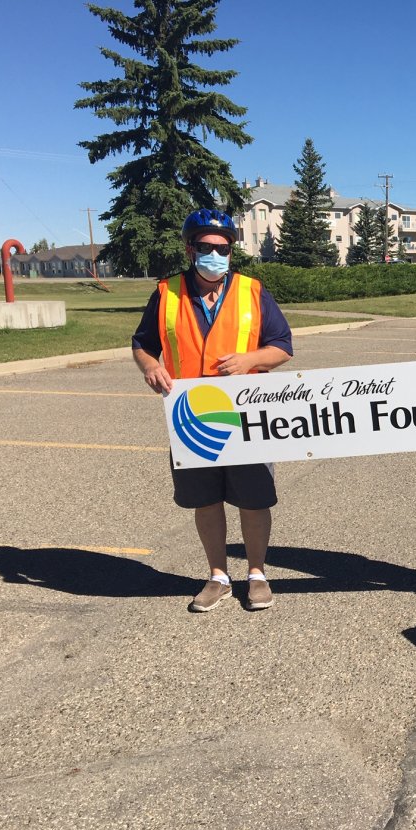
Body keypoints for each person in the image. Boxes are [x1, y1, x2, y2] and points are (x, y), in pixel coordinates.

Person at [131, 209, 294, 613]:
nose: (216, 255)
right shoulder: (166, 293)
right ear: (191, 249)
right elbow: (142, 343)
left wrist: (250, 358)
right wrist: (150, 366)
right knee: (205, 500)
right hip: (191, 417)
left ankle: (257, 573)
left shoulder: (252, 291)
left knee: (255, 499)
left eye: (224, 248)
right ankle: (218, 575)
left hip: (245, 415)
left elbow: (283, 346)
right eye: (207, 247)